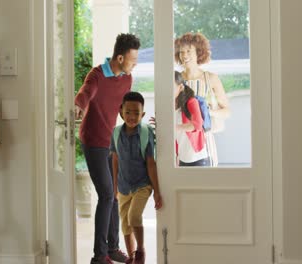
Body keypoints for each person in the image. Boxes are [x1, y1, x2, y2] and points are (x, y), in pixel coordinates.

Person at [74, 33, 140, 264]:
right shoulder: (97, 75)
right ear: (120, 57)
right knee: (106, 194)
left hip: (111, 141)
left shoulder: (126, 79)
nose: (135, 64)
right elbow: (85, 93)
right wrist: (78, 106)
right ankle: (99, 256)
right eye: (133, 60)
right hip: (93, 141)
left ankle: (112, 248)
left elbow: (124, 108)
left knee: (114, 194)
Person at [111, 92, 163, 264]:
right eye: (128, 112)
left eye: (136, 113)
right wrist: (115, 185)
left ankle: (140, 249)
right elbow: (115, 159)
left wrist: (156, 191)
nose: (132, 117)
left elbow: (150, 162)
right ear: (121, 112)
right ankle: (131, 255)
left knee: (134, 216)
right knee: (125, 224)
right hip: (124, 185)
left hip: (142, 184)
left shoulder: (146, 133)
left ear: (143, 114)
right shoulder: (116, 133)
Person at [174, 32, 231, 167]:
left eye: (189, 51)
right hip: (182, 143)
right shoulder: (176, 80)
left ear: (198, 52)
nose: (184, 55)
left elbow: (226, 111)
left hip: (204, 146)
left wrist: (208, 112)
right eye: (181, 52)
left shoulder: (210, 78)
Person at [174, 71, 211, 166]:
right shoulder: (170, 107)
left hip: (198, 159)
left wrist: (174, 127)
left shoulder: (191, 101)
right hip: (182, 158)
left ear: (181, 87)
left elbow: (197, 125)